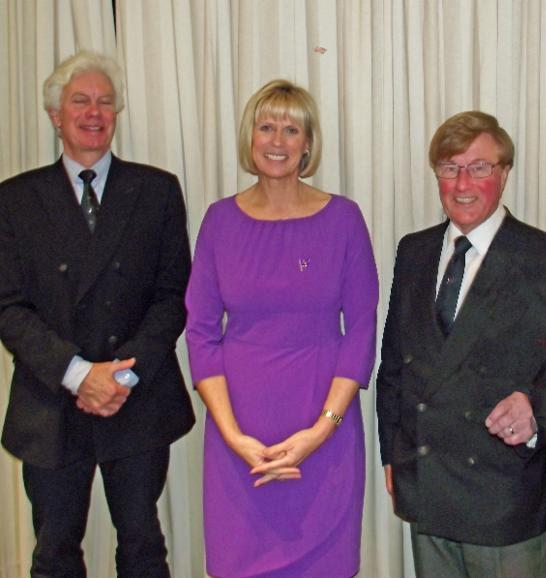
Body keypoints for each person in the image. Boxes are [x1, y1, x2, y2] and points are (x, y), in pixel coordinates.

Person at [0, 50, 194, 577]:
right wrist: (79, 374)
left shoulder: (156, 191)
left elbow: (173, 294)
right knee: (54, 550)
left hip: (136, 396)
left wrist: (120, 376)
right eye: (80, 101)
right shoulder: (14, 199)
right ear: (54, 115)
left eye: (106, 102)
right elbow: (9, 307)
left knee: (142, 545)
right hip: (51, 401)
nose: (94, 112)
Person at [376, 110, 546, 578]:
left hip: (503, 494)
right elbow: (393, 364)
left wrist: (536, 406)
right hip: (428, 486)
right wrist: (392, 454)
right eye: (449, 168)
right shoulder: (413, 251)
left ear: (505, 172)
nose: (462, 182)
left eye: (479, 167)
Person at [185, 79, 378, 578]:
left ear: (308, 143)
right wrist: (233, 436)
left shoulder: (344, 219)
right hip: (238, 439)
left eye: (291, 129)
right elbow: (201, 333)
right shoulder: (219, 221)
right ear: (250, 138)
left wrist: (319, 433)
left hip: (324, 435)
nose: (277, 140)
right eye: (266, 126)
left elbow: (360, 332)